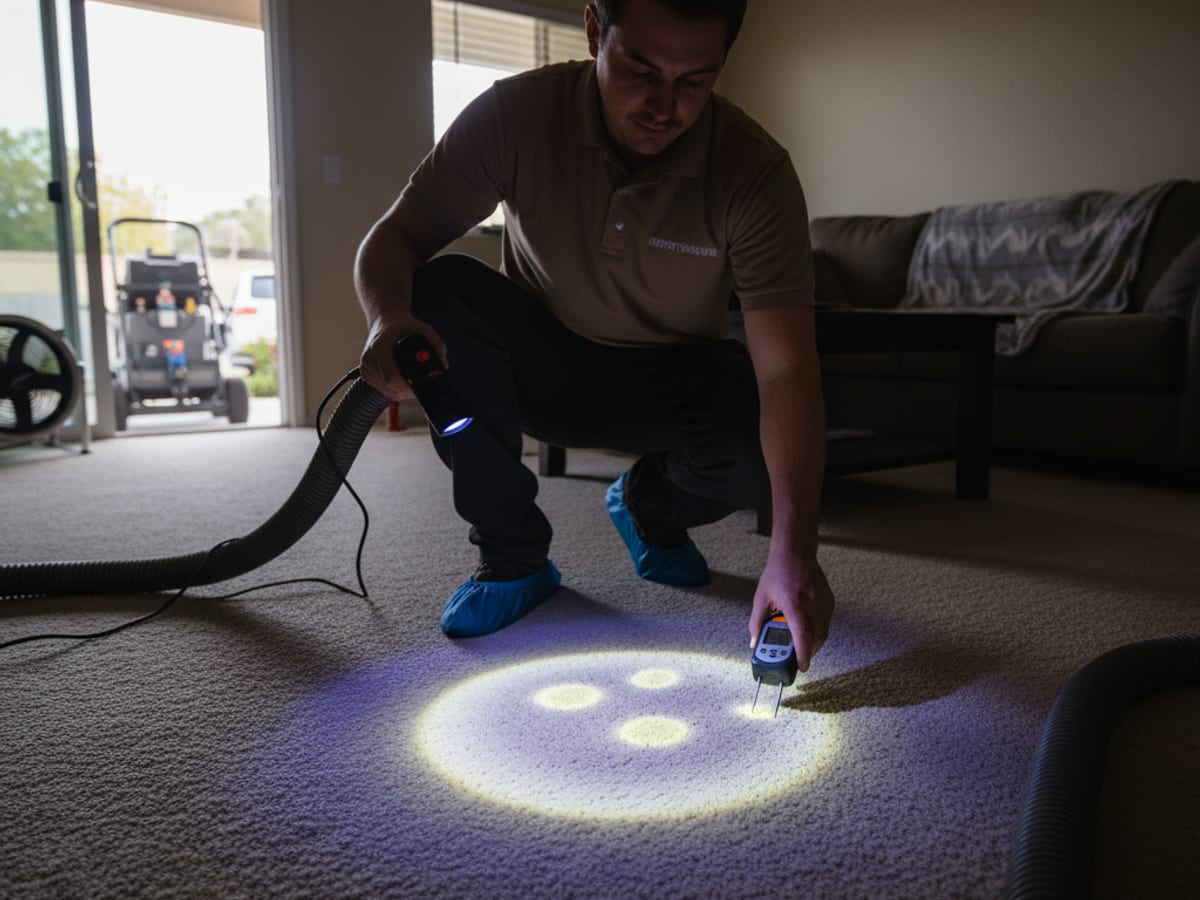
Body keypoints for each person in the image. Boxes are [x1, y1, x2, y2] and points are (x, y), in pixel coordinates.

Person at [354, 0, 834, 671]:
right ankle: (513, 554)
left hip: (670, 382)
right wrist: (387, 318)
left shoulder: (753, 171)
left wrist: (794, 552)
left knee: (757, 434)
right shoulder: (515, 115)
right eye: (641, 70)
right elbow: (396, 237)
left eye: (695, 80)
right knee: (439, 291)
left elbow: (788, 374)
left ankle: (648, 507)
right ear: (592, 32)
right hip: (541, 363)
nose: (664, 105)